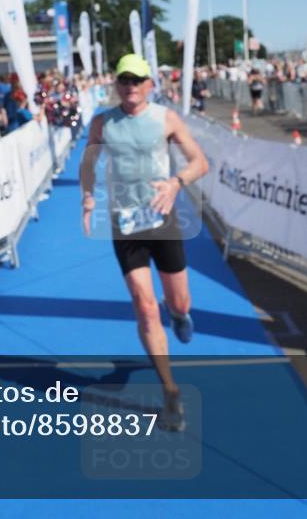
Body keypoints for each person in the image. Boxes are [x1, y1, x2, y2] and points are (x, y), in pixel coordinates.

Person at [80, 54, 209, 431]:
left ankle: (180, 314)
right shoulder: (103, 122)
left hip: (162, 219)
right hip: (125, 224)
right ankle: (170, 391)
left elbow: (200, 162)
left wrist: (176, 183)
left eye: (137, 79)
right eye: (124, 79)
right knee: (145, 305)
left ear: (150, 84)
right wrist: (87, 197)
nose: (130, 86)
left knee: (178, 302)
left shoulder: (166, 118)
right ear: (116, 84)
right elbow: (88, 162)